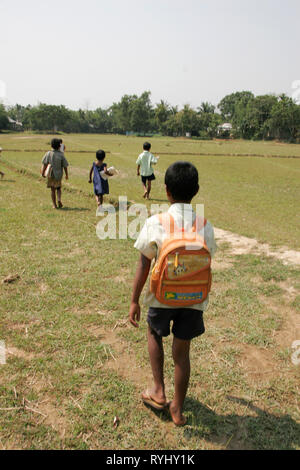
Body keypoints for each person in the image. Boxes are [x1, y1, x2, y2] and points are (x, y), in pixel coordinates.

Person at [129, 161, 217, 426]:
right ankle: (177, 407)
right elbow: (208, 257)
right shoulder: (205, 225)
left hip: (161, 295)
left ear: (166, 190)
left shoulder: (157, 222)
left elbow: (144, 263)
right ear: (197, 190)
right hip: (193, 299)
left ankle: (158, 390)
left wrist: (134, 300)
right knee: (182, 352)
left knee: (154, 333)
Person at [41, 138, 69, 209]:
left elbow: (45, 164)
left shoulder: (48, 153)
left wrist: (43, 172)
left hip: (50, 174)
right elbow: (65, 166)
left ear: (51, 145)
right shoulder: (61, 155)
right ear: (59, 146)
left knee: (52, 190)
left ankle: (54, 204)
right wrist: (66, 174)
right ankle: (59, 199)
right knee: (59, 188)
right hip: (59, 174)